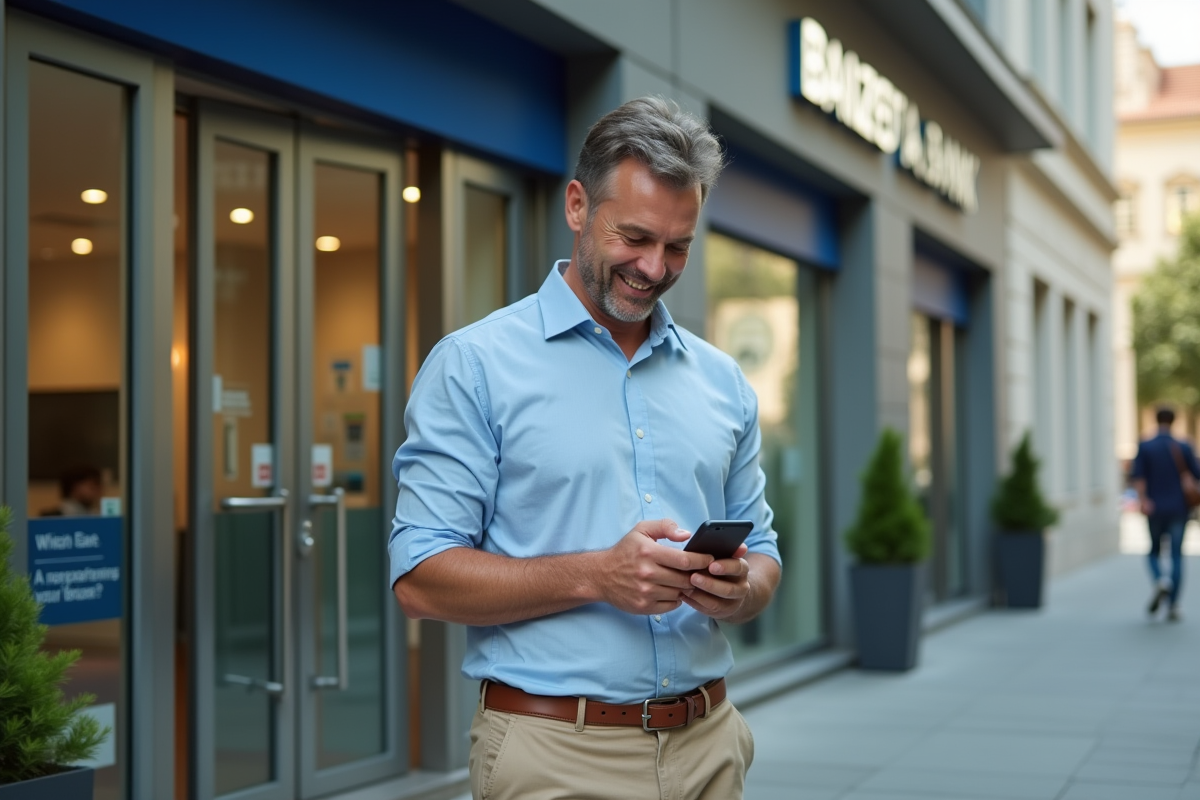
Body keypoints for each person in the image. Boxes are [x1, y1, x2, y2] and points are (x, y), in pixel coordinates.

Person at [388, 97, 781, 800]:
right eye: (634, 237)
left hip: (710, 747)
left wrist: (739, 589)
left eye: (678, 245)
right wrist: (598, 576)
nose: (655, 267)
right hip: (555, 758)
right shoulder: (474, 365)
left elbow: (768, 557)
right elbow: (419, 580)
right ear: (576, 206)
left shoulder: (723, 382)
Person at [1131, 407, 1200, 622]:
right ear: (1174, 421)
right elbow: (1196, 475)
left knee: (1153, 551)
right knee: (1177, 555)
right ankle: (1173, 606)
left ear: (1156, 419)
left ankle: (1161, 580)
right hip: (1179, 508)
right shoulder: (1184, 446)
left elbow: (1138, 478)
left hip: (1155, 508)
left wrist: (1143, 501)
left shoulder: (1145, 445)